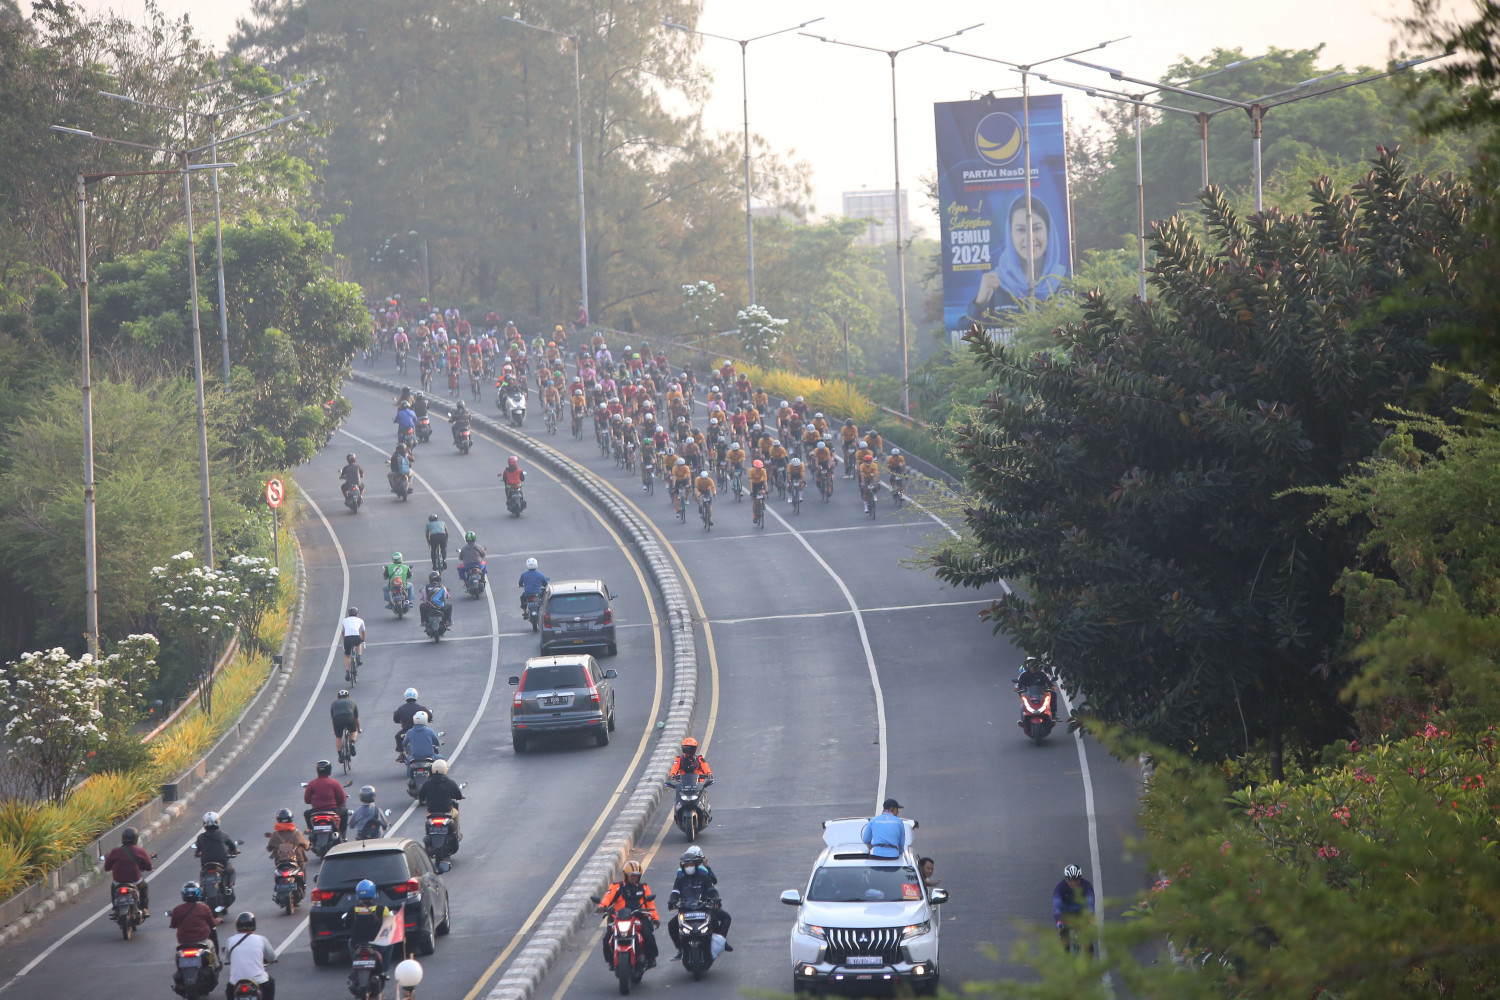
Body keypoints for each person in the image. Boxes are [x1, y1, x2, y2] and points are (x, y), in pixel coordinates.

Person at [968, 195, 1068, 322]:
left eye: (1037, 228)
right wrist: (979, 302)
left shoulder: (1065, 281)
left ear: (1048, 231)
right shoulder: (995, 284)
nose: (1029, 237)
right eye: (1020, 230)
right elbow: (966, 330)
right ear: (1010, 234)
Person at [666, 850, 731, 959]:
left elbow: (712, 891)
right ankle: (680, 949)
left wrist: (715, 900)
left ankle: (720, 942)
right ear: (683, 867)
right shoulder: (679, 880)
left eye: (691, 864)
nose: (689, 867)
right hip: (686, 910)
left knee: (721, 919)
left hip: (703, 908)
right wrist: (672, 902)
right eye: (686, 865)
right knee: (671, 925)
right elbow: (675, 893)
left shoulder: (704, 878)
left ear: (696, 865)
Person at [596, 861, 660, 970]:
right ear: (626, 875)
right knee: (607, 939)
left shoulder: (644, 888)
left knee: (648, 936)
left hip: (639, 918)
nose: (634, 878)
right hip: (619, 919)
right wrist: (602, 906)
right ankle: (611, 961)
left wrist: (655, 918)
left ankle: (651, 958)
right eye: (631, 875)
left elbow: (650, 904)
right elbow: (608, 897)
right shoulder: (617, 887)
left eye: (636, 876)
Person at [222, 912, 277, 1000]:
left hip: (236, 981)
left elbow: (228, 958)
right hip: (258, 980)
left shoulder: (230, 940)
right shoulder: (261, 939)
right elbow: (272, 957)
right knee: (270, 983)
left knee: (229, 990)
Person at [348, 880, 398, 972]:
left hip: (357, 943)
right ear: (373, 892)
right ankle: (384, 970)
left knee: (349, 942)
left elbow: (347, 925)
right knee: (390, 946)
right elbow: (389, 925)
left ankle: (355, 967)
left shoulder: (352, 909)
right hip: (378, 943)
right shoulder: (382, 909)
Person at [104, 827, 153, 914]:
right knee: (144, 887)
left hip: (118, 881)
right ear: (136, 839)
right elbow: (148, 867)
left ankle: (115, 907)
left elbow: (107, 867)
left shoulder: (115, 851)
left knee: (113, 888)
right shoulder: (140, 851)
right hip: (135, 880)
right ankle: (144, 908)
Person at [418, 758, 464, 850]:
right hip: (447, 811)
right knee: (456, 814)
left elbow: (421, 797)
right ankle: (458, 835)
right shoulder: (450, 783)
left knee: (427, 823)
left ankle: (429, 835)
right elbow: (458, 796)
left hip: (431, 813)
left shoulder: (427, 783)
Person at [169, 882, 221, 957]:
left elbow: (173, 925)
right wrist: (218, 920)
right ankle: (217, 962)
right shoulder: (204, 908)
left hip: (183, 942)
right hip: (202, 941)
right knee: (211, 946)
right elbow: (213, 923)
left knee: (178, 955)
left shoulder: (177, 909)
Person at [265, 808, 309, 891]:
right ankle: (303, 884)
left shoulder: (275, 834)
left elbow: (269, 848)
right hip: (297, 860)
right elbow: (306, 846)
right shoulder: (296, 833)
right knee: (303, 864)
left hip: (280, 861)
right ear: (291, 819)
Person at [303, 759, 349, 838]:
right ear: (329, 770)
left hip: (316, 811)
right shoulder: (334, 783)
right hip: (333, 810)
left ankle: (311, 831)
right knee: (345, 812)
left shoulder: (312, 784)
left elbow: (307, 800)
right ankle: (342, 835)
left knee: (306, 813)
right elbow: (341, 799)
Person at [195, 811, 239, 892]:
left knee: (202, 872)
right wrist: (235, 851)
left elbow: (197, 851)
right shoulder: (223, 835)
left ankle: (202, 886)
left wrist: (198, 854)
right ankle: (230, 886)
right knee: (232, 871)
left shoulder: (200, 837)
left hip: (206, 864)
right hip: (222, 863)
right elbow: (233, 847)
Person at [1053, 864, 1095, 943]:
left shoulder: (1086, 886)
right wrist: (1058, 921)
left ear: (1080, 878)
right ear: (1066, 879)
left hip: (1081, 913)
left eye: (1076, 880)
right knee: (1064, 941)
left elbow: (1091, 904)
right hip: (1066, 914)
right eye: (1070, 880)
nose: (1073, 883)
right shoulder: (1060, 887)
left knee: (1088, 942)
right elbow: (1057, 907)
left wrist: (1091, 918)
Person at [393, 688, 433, 761]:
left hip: (405, 730)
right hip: (420, 728)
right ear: (416, 695)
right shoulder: (421, 708)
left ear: (406, 696)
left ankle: (401, 754)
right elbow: (430, 716)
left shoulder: (401, 708)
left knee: (398, 736)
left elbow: (395, 719)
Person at [402, 711, 443, 777]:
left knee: (408, 763)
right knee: (441, 758)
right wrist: (438, 744)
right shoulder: (429, 731)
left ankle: (409, 779)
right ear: (425, 720)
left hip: (415, 757)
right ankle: (442, 779)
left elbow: (404, 744)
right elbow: (436, 742)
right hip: (429, 756)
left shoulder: (409, 732)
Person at [331, 688, 360, 758]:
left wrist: (335, 730)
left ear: (338, 697)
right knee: (353, 731)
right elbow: (356, 718)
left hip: (337, 719)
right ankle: (352, 743)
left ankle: (340, 755)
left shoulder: (334, 703)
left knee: (338, 737)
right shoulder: (352, 702)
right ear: (348, 696)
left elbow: (333, 719)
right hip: (349, 717)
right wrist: (358, 729)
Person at [339, 607, 365, 681]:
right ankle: (359, 657)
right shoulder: (360, 620)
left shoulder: (344, 620)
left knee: (347, 655)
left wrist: (345, 641)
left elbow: (342, 632)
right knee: (359, 644)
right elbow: (363, 632)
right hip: (356, 637)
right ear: (357, 614)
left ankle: (347, 672)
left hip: (347, 638)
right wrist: (362, 640)